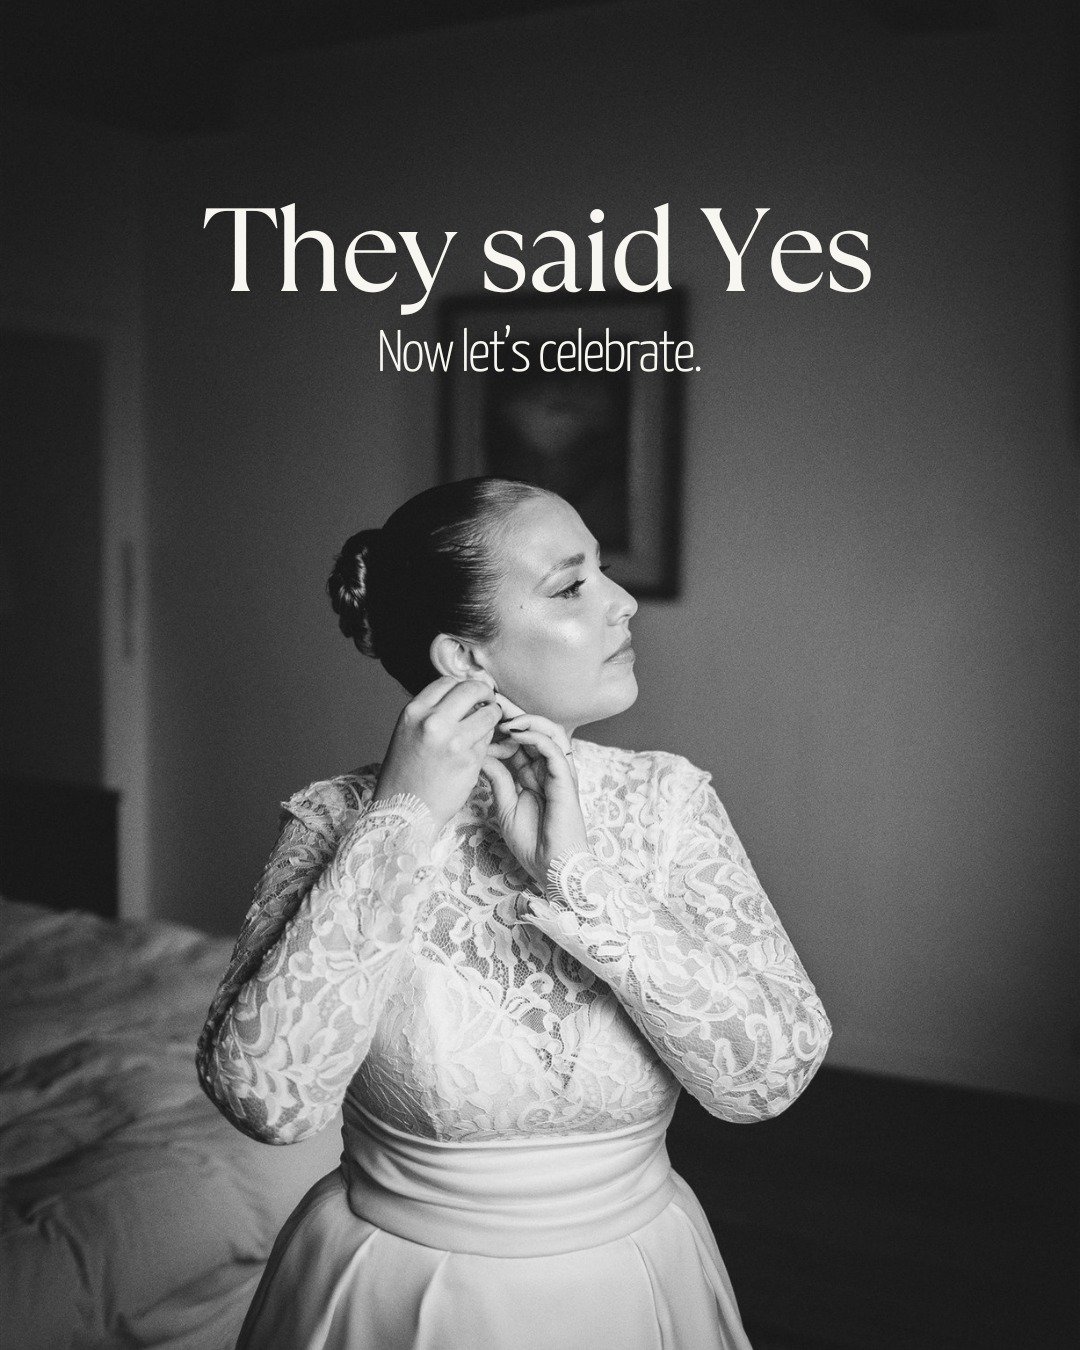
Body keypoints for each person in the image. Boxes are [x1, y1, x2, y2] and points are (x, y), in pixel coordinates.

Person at [196, 475, 832, 1350]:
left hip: (637, 1286)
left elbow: (770, 1077)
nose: (622, 603)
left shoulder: (668, 801)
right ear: (465, 658)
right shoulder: (334, 821)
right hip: (394, 1298)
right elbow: (267, 1101)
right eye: (572, 586)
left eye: (603, 570)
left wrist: (581, 881)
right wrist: (398, 822)